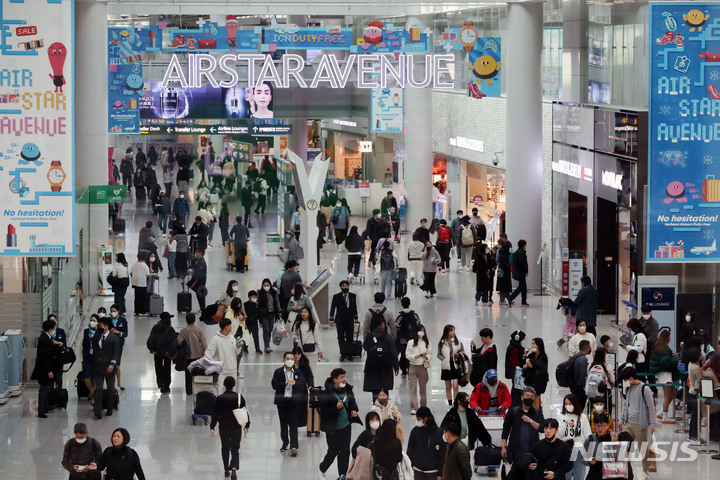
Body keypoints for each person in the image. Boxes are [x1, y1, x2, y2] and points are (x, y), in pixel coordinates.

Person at [318, 368, 360, 480]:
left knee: (345, 451)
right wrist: (336, 408)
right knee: (333, 451)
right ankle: (323, 467)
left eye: (344, 377)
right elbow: (324, 413)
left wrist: (354, 410)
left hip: (345, 425)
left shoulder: (347, 389)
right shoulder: (326, 393)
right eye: (341, 377)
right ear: (335, 380)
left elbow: (352, 402)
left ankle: (342, 474)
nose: (344, 379)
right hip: (332, 427)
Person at [618, 367, 659, 477]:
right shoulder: (628, 389)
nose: (624, 382)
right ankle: (625, 470)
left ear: (631, 378)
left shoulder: (644, 389)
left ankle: (645, 471)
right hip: (628, 423)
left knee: (643, 449)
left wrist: (653, 424)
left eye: (625, 380)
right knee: (624, 446)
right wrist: (621, 419)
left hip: (640, 424)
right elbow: (626, 405)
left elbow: (651, 408)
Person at [210, 376, 250, 480]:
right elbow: (245, 412)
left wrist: (212, 427)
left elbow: (215, 414)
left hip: (223, 426)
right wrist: (247, 425)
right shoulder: (240, 397)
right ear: (234, 385)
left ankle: (226, 470)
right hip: (236, 426)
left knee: (225, 447)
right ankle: (233, 468)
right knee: (235, 448)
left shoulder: (219, 398)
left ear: (224, 385)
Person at [272, 352, 307, 456]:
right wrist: (285, 383)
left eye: (292, 359)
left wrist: (294, 383)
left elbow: (302, 385)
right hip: (282, 402)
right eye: (288, 358)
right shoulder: (278, 372)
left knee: (293, 424)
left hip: (294, 402)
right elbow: (274, 385)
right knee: (283, 423)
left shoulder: (298, 372)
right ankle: (285, 443)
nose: (290, 360)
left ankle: (294, 446)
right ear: (284, 360)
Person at [582, 414, 634, 480]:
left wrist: (615, 444)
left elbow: (622, 457)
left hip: (612, 471)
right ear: (594, 426)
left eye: (603, 426)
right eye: (597, 426)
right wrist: (589, 461)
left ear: (608, 426)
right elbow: (583, 458)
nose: (600, 428)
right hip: (596, 471)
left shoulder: (615, 437)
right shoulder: (590, 439)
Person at [500, 386, 545, 463]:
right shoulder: (513, 412)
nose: (529, 398)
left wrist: (530, 421)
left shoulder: (538, 413)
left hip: (532, 451)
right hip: (515, 451)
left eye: (532, 396)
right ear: (522, 397)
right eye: (527, 396)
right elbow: (506, 430)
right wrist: (503, 447)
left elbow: (542, 429)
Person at [363, 314, 399, 403]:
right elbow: (393, 353)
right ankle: (385, 407)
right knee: (385, 388)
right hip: (386, 366)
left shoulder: (369, 336)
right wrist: (396, 367)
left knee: (374, 389)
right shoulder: (388, 337)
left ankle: (376, 407)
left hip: (372, 367)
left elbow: (365, 347)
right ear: (382, 324)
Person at [557, 394, 591, 480]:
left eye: (570, 403)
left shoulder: (582, 417)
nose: (568, 406)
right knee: (566, 475)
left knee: (579, 475)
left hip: (579, 449)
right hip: (566, 449)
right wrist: (565, 423)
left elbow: (588, 435)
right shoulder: (561, 417)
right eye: (566, 404)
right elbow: (558, 434)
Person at [92, 317, 119, 419]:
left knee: (110, 388)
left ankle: (109, 407)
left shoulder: (113, 338)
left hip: (109, 367)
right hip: (99, 366)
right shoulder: (97, 336)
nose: (99, 327)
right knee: (98, 388)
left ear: (106, 326)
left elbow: (116, 352)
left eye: (101, 325)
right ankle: (97, 409)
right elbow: (94, 343)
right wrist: (98, 333)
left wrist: (112, 364)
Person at [407, 407, 445, 480]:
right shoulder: (415, 431)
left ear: (426, 418)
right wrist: (409, 468)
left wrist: (440, 473)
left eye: (419, 419)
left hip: (433, 472)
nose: (417, 421)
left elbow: (442, 454)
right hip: (418, 470)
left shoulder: (438, 433)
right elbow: (410, 450)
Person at [31, 319, 58, 418]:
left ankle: (45, 406)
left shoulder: (46, 338)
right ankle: (41, 410)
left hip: (44, 369)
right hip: (44, 370)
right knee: (44, 389)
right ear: (50, 328)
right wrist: (49, 371)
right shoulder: (45, 340)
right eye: (54, 328)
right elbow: (45, 357)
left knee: (46, 389)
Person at [177, 312, 208, 395]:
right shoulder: (199, 330)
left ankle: (189, 391)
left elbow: (179, 342)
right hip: (198, 355)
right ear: (194, 320)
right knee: (198, 372)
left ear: (186, 320)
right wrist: (206, 353)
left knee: (188, 374)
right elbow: (204, 344)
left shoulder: (183, 331)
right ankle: (197, 389)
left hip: (187, 356)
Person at [146, 312, 176, 393]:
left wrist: (152, 349)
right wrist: (171, 351)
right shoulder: (170, 329)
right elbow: (174, 341)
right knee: (167, 368)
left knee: (158, 368)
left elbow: (150, 339)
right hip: (167, 352)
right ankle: (167, 385)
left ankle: (161, 384)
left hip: (157, 352)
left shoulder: (155, 327)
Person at [405, 324, 433, 414]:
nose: (421, 332)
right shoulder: (411, 342)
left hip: (423, 366)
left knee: (423, 388)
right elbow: (407, 354)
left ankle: (423, 406)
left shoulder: (427, 343)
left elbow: (430, 354)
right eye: (420, 330)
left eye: (423, 331)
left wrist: (426, 357)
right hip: (413, 366)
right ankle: (414, 407)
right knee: (413, 387)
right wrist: (414, 356)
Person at [206, 318, 243, 383]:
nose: (231, 326)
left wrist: (238, 347)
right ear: (226, 327)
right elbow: (208, 354)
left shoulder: (232, 338)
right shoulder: (215, 339)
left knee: (232, 391)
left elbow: (237, 352)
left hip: (232, 371)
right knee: (220, 391)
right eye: (230, 325)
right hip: (221, 372)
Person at [329, 280, 359, 361]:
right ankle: (343, 353)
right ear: (340, 287)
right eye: (343, 286)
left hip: (350, 320)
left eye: (346, 286)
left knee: (350, 337)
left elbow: (354, 307)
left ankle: (350, 354)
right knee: (341, 337)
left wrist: (356, 317)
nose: (345, 287)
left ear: (349, 287)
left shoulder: (353, 296)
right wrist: (331, 319)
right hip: (340, 320)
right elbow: (333, 308)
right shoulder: (336, 296)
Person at [438, 324, 466, 406]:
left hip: (456, 365)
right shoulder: (442, 342)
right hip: (446, 366)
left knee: (455, 386)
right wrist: (444, 360)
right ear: (447, 332)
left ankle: (456, 403)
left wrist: (459, 354)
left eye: (454, 330)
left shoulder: (458, 341)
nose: (453, 332)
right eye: (451, 330)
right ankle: (450, 404)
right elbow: (438, 354)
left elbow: (463, 352)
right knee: (448, 387)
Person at [292, 306, 323, 378]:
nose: (303, 314)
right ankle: (301, 383)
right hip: (300, 349)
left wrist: (320, 350)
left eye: (305, 312)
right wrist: (295, 339)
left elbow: (317, 338)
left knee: (312, 368)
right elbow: (294, 333)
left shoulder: (313, 324)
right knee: (300, 367)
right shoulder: (297, 324)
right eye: (302, 312)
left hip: (311, 350)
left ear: (309, 313)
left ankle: (311, 384)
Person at [522, 338, 549, 409]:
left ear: (538, 345)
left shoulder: (543, 357)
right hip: (529, 382)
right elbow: (523, 364)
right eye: (532, 343)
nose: (532, 345)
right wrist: (525, 355)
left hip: (538, 383)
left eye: (534, 344)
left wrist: (532, 366)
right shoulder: (531, 355)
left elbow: (542, 371)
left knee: (534, 402)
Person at [396, 297, 420, 377]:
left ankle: (403, 371)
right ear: (409, 304)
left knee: (404, 354)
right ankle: (410, 370)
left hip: (403, 340)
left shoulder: (400, 316)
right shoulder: (414, 315)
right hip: (413, 339)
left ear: (401, 304)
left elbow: (397, 326)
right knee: (412, 355)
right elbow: (418, 325)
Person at [258, 278, 281, 353]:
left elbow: (277, 303)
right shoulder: (259, 293)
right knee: (266, 330)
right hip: (264, 314)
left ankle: (268, 345)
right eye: (264, 285)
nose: (266, 286)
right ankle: (266, 346)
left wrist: (279, 311)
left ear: (270, 285)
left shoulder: (274, 293)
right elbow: (257, 304)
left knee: (270, 329)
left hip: (272, 314)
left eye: (267, 285)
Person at [108, 305, 128, 391]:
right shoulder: (108, 320)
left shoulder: (122, 320)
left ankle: (119, 382)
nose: (113, 313)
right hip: (108, 344)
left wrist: (118, 332)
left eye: (114, 311)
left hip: (118, 344)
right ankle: (110, 384)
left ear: (118, 311)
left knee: (117, 364)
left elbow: (125, 334)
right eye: (111, 311)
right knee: (110, 364)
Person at [81, 316, 99, 402]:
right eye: (91, 320)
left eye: (94, 320)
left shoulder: (99, 332)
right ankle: (91, 391)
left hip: (96, 357)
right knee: (86, 377)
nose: (92, 322)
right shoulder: (86, 331)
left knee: (95, 377)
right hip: (87, 357)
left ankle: (93, 393)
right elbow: (84, 343)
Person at [506, 239, 529, 307]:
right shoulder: (521, 253)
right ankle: (510, 298)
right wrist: (526, 271)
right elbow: (523, 263)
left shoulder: (516, 252)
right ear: (523, 245)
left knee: (523, 286)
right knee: (521, 287)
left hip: (517, 271)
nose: (526, 246)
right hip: (520, 272)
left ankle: (524, 301)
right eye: (525, 245)